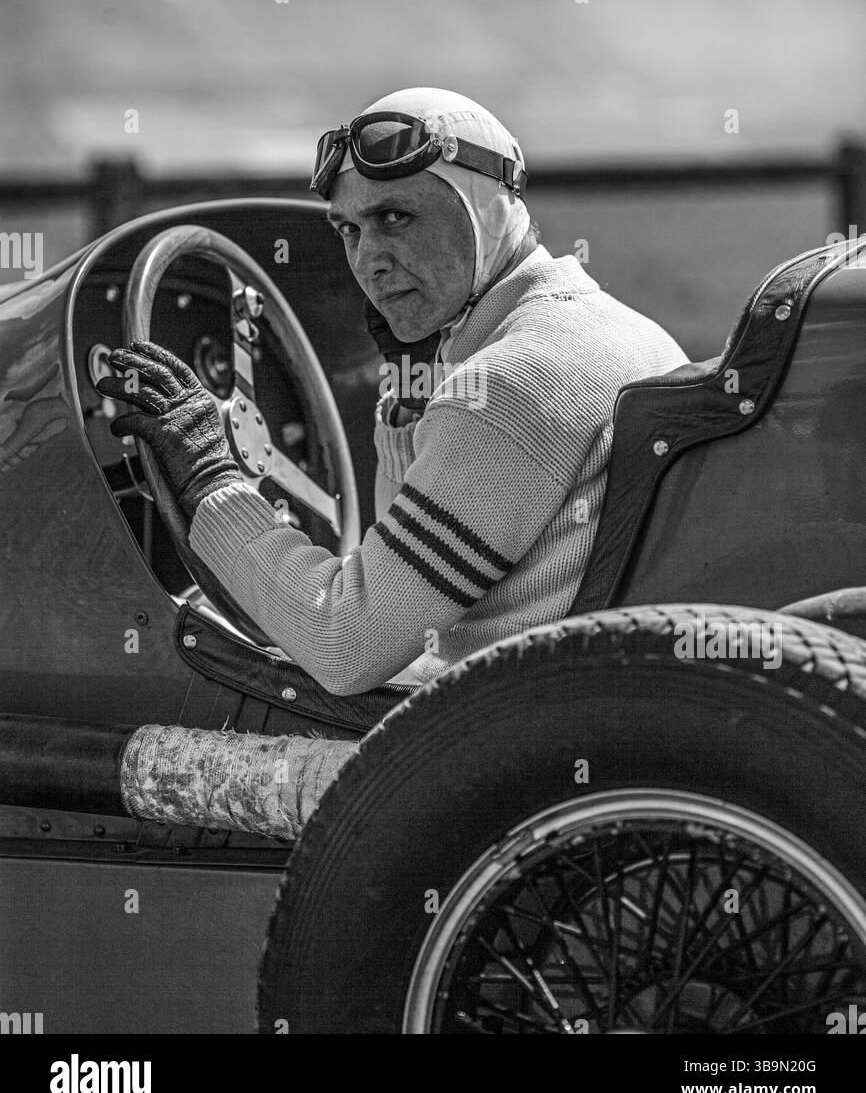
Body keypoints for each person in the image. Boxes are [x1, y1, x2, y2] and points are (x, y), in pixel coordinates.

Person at [100, 87, 688, 698]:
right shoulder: (616, 329)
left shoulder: (512, 385)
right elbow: (408, 598)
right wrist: (411, 401)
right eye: (349, 229)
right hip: (595, 703)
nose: (369, 261)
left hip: (514, 733)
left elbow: (345, 644)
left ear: (484, 209)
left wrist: (208, 478)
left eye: (395, 218)